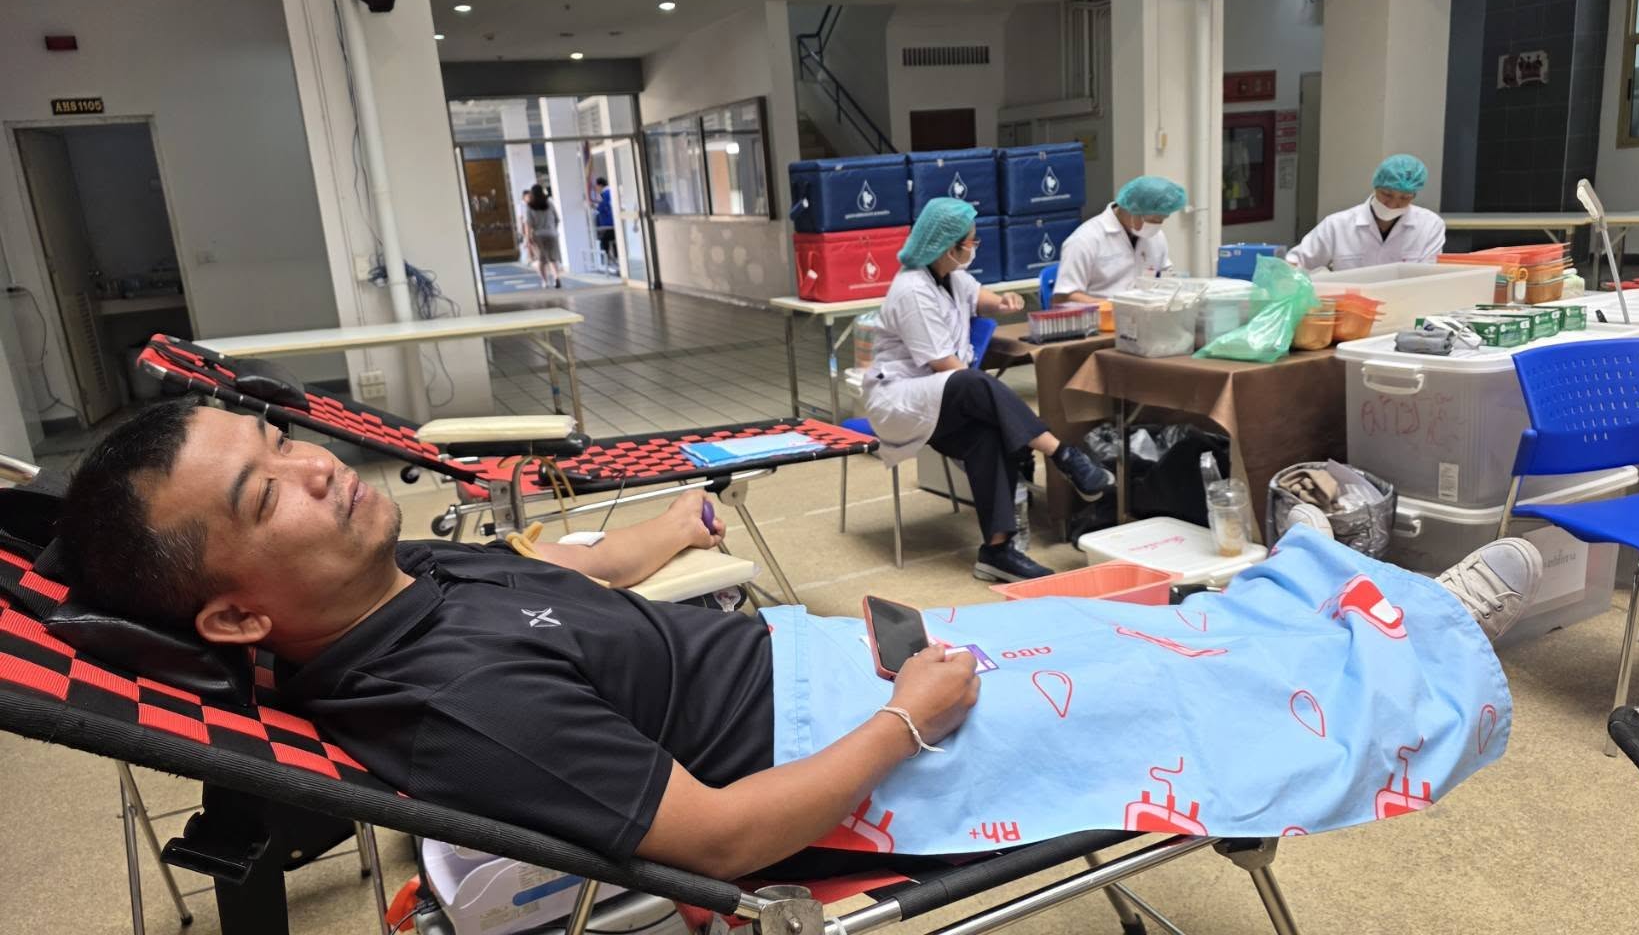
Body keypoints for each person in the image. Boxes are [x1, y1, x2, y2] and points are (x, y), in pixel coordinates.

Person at [58, 401, 1541, 878]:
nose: (317, 467)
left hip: (807, 667)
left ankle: (1321, 590)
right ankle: (1426, 649)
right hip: (840, 756)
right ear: (235, 608)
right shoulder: (453, 703)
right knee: (1171, 707)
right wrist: (910, 721)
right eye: (266, 490)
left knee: (1133, 618)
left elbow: (552, 566)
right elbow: (714, 842)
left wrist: (668, 529)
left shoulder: (400, 582)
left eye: (279, 441)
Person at [862, 198, 1117, 583]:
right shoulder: (912, 290)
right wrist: (990, 399)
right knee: (972, 382)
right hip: (900, 400)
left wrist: (1003, 302)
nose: (975, 246)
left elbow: (978, 298)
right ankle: (1063, 455)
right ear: (949, 248)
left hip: (940, 399)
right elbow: (945, 366)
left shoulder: (951, 276)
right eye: (971, 241)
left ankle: (997, 551)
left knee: (988, 434)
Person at [1287, 154, 1446, 272]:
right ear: (1375, 187)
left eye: (1404, 198)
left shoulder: (1430, 225)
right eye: (1386, 194)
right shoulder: (1337, 225)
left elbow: (1428, 275)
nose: (1392, 204)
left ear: (1414, 195)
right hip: (1350, 303)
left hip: (1406, 301)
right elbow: (1295, 263)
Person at [1054, 176, 1189, 303]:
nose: (1157, 225)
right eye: (1153, 220)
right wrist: (1112, 308)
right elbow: (1064, 297)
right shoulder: (1085, 240)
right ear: (1132, 210)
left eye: (1162, 219)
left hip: (1145, 314)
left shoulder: (1156, 237)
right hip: (1102, 315)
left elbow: (1166, 278)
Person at [523, 183, 563, 289]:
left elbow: (528, 224)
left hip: (538, 235)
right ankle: (556, 278)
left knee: (541, 259)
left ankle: (545, 281)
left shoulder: (530, 206)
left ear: (532, 194)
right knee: (552, 258)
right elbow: (557, 219)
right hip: (551, 234)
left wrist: (528, 238)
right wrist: (553, 229)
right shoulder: (549, 203)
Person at [593, 176, 617, 273]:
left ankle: (607, 263)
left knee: (604, 242)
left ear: (600, 185)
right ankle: (613, 261)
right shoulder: (610, 192)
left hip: (608, 224)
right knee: (613, 242)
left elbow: (603, 207)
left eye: (596, 186)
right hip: (612, 224)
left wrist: (595, 206)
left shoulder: (605, 194)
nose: (595, 189)